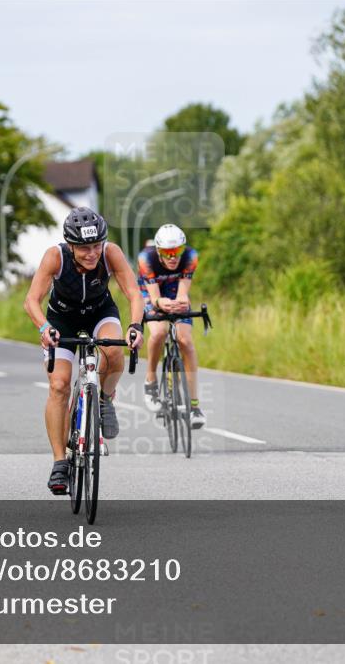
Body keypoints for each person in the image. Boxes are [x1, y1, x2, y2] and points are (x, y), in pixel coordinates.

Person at [24, 207, 144, 494]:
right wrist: (44, 328)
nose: (92, 253)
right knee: (59, 385)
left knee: (114, 352)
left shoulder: (110, 253)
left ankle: (104, 399)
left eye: (96, 246)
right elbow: (32, 300)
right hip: (61, 319)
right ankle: (59, 462)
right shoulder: (55, 256)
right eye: (84, 248)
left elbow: (134, 293)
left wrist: (136, 326)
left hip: (99, 312)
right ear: (71, 245)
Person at [138, 223, 205, 428]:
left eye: (177, 251)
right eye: (168, 252)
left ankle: (194, 406)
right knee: (159, 332)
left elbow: (183, 294)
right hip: (151, 291)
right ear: (159, 251)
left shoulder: (191, 256)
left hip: (175, 288)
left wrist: (180, 303)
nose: (173, 256)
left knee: (185, 341)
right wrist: (160, 304)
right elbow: (155, 298)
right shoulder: (145, 259)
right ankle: (151, 381)